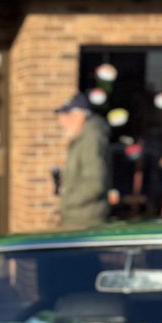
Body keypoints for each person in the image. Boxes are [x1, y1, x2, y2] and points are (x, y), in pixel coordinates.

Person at [54, 92, 112, 229]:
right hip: (78, 216)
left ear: (79, 115)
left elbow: (94, 183)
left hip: (85, 220)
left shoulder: (91, 139)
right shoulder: (81, 137)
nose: (61, 122)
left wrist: (66, 202)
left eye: (66, 116)